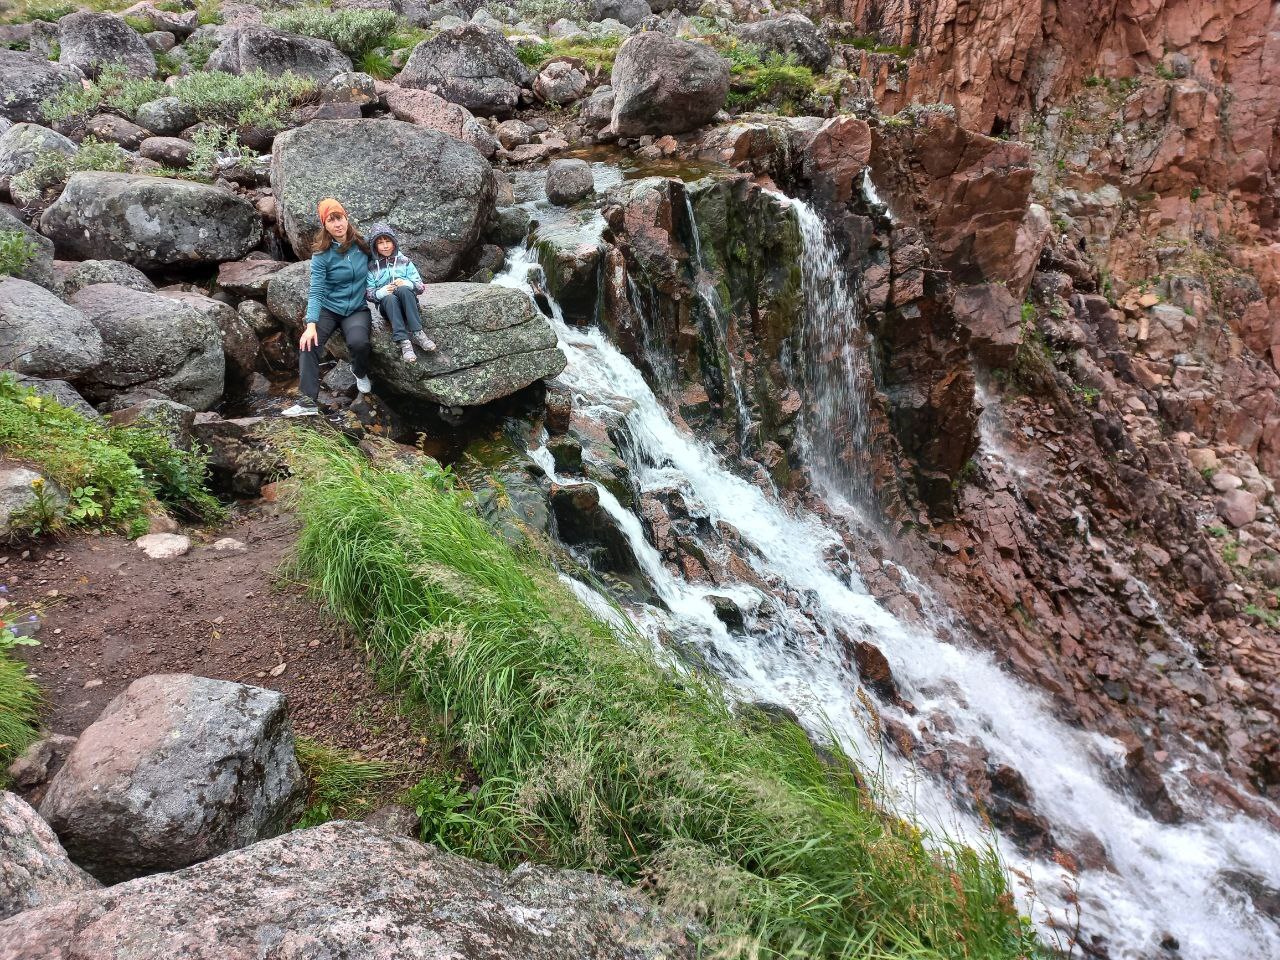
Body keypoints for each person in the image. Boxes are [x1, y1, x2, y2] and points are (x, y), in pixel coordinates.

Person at [281, 198, 374, 418]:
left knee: (359, 343)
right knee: (308, 344)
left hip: (356, 309)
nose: (337, 224)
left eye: (339, 218)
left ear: (346, 217)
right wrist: (310, 324)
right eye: (331, 221)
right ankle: (307, 403)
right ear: (325, 225)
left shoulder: (363, 245)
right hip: (329, 309)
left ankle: (359, 372)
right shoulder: (321, 254)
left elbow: (388, 256)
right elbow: (316, 290)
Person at [365, 223, 437, 363]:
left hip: (408, 302)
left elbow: (420, 287)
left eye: (388, 241)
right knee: (390, 298)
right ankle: (404, 341)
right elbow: (369, 294)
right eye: (380, 243)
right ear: (374, 246)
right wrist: (381, 292)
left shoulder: (404, 261)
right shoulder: (371, 266)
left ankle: (418, 333)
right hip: (387, 306)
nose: (385, 246)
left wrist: (407, 284)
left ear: (394, 242)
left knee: (404, 290)